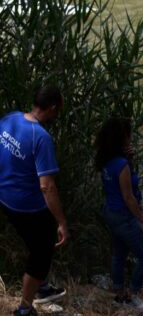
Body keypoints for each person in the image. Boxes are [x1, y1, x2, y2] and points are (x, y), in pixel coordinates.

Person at [0, 86, 69, 316]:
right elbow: (47, 187)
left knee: (34, 241)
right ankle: (25, 307)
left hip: (4, 196)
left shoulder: (11, 118)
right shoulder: (41, 137)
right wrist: (62, 222)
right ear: (52, 108)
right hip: (26, 205)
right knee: (42, 252)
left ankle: (43, 285)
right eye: (59, 109)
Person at [95, 117, 143, 311]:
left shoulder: (107, 160)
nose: (130, 138)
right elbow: (128, 197)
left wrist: (129, 161)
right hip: (123, 215)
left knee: (119, 255)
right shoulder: (121, 165)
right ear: (122, 138)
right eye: (128, 135)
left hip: (110, 211)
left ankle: (119, 294)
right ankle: (132, 295)